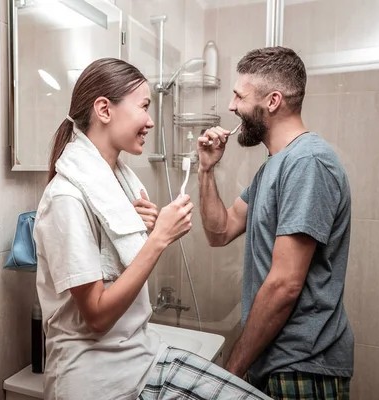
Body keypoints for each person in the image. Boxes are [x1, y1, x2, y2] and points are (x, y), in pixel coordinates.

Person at [33, 57, 271, 400]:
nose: (149, 121)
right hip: (96, 378)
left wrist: (143, 230)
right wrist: (158, 239)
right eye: (144, 107)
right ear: (104, 109)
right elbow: (97, 317)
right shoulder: (66, 198)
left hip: (140, 359)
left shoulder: (118, 185)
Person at [197, 47, 354, 400]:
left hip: (303, 365)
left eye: (239, 95)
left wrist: (231, 371)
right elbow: (219, 231)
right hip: (275, 360)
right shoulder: (275, 165)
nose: (231, 106)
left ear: (273, 101)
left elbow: (284, 285)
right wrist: (206, 169)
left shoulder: (308, 163)